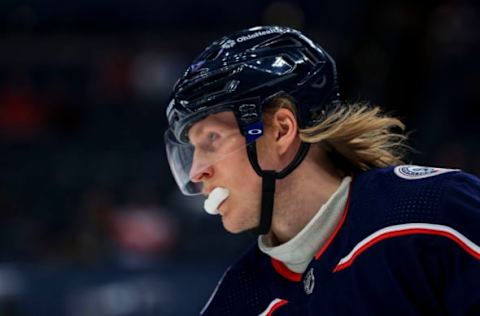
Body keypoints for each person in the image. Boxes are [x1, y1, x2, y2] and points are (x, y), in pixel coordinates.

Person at [164, 26, 480, 315]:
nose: (196, 171)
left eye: (212, 139)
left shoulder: (436, 214)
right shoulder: (236, 303)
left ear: (281, 130)